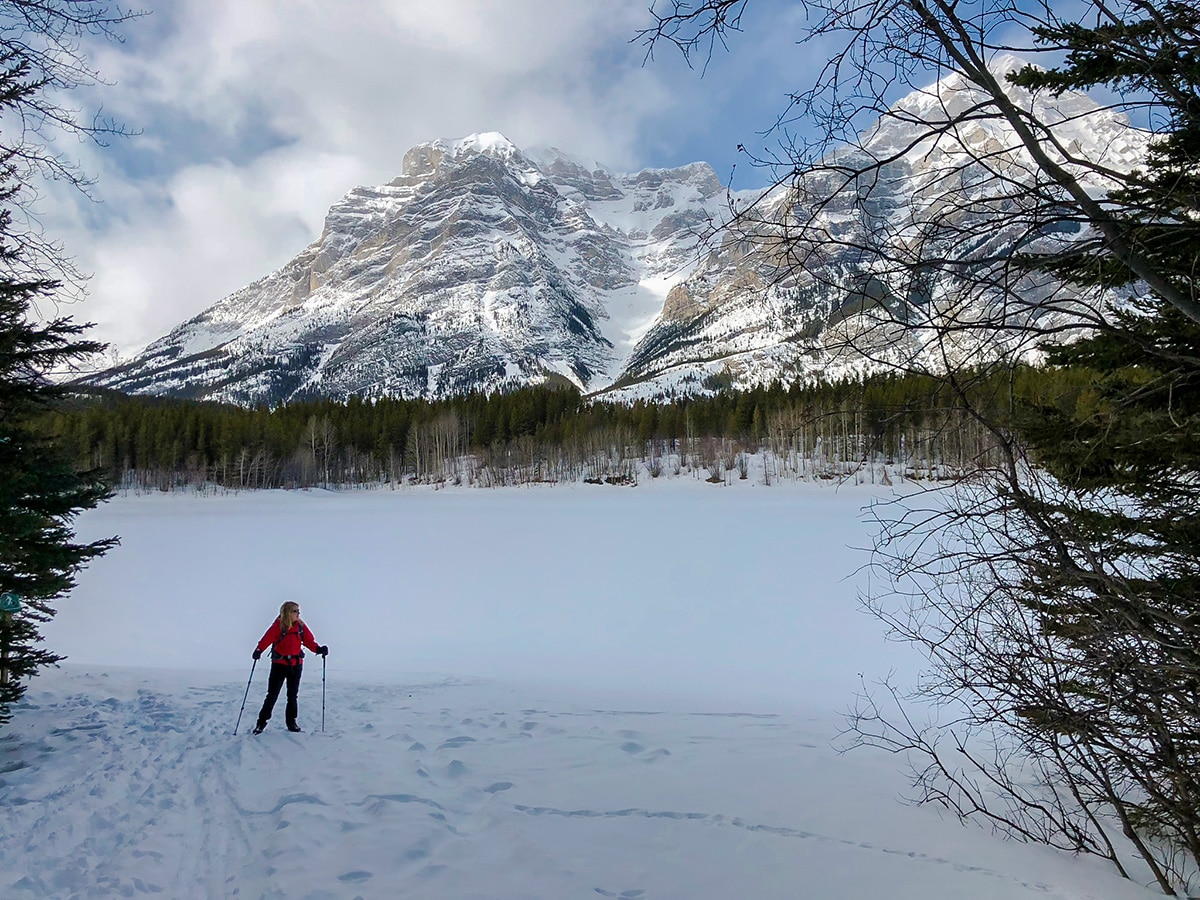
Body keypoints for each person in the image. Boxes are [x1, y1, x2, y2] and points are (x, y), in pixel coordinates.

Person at [251, 601, 327, 734]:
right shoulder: (278, 626)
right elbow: (266, 639)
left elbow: (309, 641)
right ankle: (261, 723)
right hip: (279, 665)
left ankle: (291, 722)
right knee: (272, 695)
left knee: (292, 695)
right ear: (287, 612)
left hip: (296, 665)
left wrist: (319, 649)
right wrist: (259, 650)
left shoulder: (300, 626)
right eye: (295, 611)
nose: (298, 613)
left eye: (298, 611)